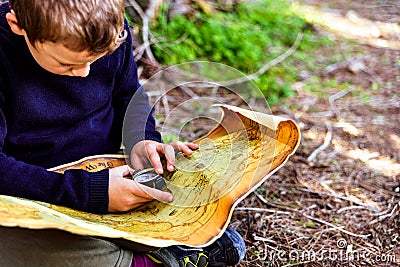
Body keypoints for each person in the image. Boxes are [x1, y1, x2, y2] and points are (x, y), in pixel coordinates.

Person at [0, 0, 245, 266]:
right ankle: (146, 259)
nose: (84, 74)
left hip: (107, 171)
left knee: (178, 182)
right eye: (66, 64)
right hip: (31, 189)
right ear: (18, 26)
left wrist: (141, 140)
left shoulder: (107, 28)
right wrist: (90, 193)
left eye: (97, 59)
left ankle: (163, 239)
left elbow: (128, 94)